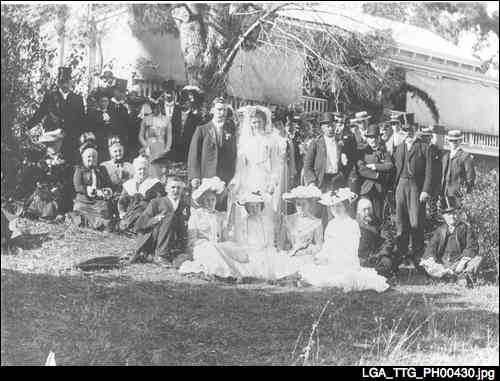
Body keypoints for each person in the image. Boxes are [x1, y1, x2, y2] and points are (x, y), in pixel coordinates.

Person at [297, 188, 390, 292]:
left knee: (343, 277)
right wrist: (321, 257)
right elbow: (327, 247)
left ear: (345, 207)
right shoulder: (331, 224)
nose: (335, 209)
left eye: (339, 206)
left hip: (346, 262)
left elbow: (351, 250)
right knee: (309, 267)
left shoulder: (352, 224)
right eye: (332, 206)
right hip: (331, 260)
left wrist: (331, 258)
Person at [227, 105, 288, 241]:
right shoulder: (245, 141)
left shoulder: (271, 140)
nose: (256, 125)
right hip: (248, 177)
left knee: (264, 207)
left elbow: (276, 164)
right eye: (253, 122)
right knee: (246, 206)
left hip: (264, 177)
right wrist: (236, 180)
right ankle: (245, 239)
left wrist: (273, 181)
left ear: (264, 122)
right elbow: (241, 165)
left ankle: (265, 240)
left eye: (259, 122)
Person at [393, 121, 433, 267]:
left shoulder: (424, 147)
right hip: (401, 186)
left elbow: (429, 172)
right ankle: (402, 256)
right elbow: (394, 168)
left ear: (416, 130)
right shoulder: (399, 147)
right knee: (401, 222)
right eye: (405, 130)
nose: (408, 133)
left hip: (415, 187)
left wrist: (425, 190)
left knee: (416, 222)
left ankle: (417, 256)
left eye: (410, 130)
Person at [27, 67, 85, 164]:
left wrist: (80, 134)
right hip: (53, 138)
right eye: (62, 82)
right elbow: (40, 113)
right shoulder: (51, 97)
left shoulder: (77, 99)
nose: (64, 85)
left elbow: (81, 119)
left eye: (67, 81)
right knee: (51, 165)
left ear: (71, 82)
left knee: (69, 166)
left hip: (70, 139)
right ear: (58, 82)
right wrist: (28, 126)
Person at [188, 97, 237, 210]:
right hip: (205, 178)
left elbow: (233, 157)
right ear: (212, 110)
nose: (222, 113)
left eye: (224, 110)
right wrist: (194, 177)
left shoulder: (230, 132)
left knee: (220, 213)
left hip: (223, 181)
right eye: (219, 109)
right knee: (203, 212)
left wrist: (230, 179)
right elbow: (194, 155)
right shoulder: (202, 130)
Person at [132, 176, 190, 266]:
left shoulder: (185, 205)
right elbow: (139, 225)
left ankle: (172, 253)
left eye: (179, 188)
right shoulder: (156, 202)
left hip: (174, 240)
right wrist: (155, 219)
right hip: (155, 238)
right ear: (166, 189)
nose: (176, 190)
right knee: (170, 217)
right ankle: (161, 256)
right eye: (173, 187)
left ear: (182, 190)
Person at [420, 204, 482, 287]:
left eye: (454, 213)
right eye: (449, 214)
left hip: (459, 262)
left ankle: (464, 277)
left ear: (458, 215)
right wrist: (437, 264)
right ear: (444, 217)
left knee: (478, 259)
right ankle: (445, 276)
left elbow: (471, 247)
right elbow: (431, 248)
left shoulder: (466, 228)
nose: (452, 216)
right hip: (443, 263)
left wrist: (462, 262)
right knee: (427, 262)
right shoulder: (440, 230)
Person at [304, 112, 349, 225]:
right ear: (322, 128)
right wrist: (312, 182)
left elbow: (346, 163)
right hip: (320, 181)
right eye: (327, 126)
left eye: (332, 125)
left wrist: (344, 162)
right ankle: (317, 241)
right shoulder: (316, 143)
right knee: (316, 214)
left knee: (333, 214)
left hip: (335, 181)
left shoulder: (340, 143)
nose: (331, 128)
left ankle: (331, 239)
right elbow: (307, 165)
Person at [22, 129, 73, 220]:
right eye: (51, 144)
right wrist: (41, 185)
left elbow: (66, 180)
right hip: (43, 190)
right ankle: (35, 211)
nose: (54, 147)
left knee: (53, 205)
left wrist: (58, 188)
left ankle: (51, 213)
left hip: (57, 191)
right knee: (36, 200)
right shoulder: (42, 161)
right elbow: (37, 177)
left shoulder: (64, 162)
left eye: (57, 143)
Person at [71, 140, 114, 230]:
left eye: (94, 157)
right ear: (83, 158)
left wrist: (104, 191)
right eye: (89, 157)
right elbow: (77, 186)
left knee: (105, 210)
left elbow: (107, 183)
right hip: (83, 201)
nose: (91, 159)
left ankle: (98, 223)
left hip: (97, 202)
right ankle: (85, 221)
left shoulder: (101, 170)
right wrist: (87, 189)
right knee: (80, 210)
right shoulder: (79, 170)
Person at [356, 124, 394, 223]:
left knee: (378, 217)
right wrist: (377, 175)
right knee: (364, 216)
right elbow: (361, 169)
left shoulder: (384, 152)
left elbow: (390, 166)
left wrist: (375, 166)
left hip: (379, 189)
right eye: (370, 138)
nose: (373, 140)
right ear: (367, 139)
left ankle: (377, 236)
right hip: (365, 189)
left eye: (375, 137)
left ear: (379, 138)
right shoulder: (362, 152)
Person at [117, 155, 165, 233]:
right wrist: (122, 212)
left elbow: (160, 201)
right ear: (135, 170)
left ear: (148, 170)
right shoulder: (129, 184)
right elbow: (121, 201)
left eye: (144, 169)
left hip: (147, 212)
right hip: (131, 212)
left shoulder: (154, 183)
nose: (142, 172)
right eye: (139, 169)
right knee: (124, 224)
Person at [357, 198, 396, 278]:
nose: (367, 212)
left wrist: (380, 254)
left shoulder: (378, 222)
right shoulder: (354, 225)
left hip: (377, 256)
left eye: (369, 209)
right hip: (361, 257)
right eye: (364, 210)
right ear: (359, 211)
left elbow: (388, 240)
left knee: (387, 263)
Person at [167, 87, 204, 164]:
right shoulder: (175, 112)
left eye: (191, 100)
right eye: (188, 99)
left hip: (187, 150)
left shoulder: (196, 117)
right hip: (174, 148)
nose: (190, 101)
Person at [440, 130, 475, 209]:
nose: (452, 142)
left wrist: (465, 193)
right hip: (444, 194)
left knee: (457, 219)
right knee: (446, 219)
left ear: (460, 141)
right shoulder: (445, 156)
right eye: (450, 140)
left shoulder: (465, 156)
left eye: (455, 141)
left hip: (457, 195)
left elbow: (471, 177)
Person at [138, 99, 172, 180]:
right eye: (153, 107)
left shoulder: (167, 119)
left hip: (161, 147)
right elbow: (140, 136)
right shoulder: (146, 119)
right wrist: (146, 147)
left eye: (158, 107)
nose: (155, 109)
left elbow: (169, 136)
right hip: (149, 147)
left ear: (161, 107)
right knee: (150, 169)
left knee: (160, 169)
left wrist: (167, 149)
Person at [418, 125, 443, 223]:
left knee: (433, 203)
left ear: (431, 137)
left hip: (433, 181)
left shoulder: (435, 149)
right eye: (424, 136)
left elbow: (438, 167)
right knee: (421, 203)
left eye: (428, 136)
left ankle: (432, 223)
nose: (426, 138)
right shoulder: (419, 148)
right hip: (422, 180)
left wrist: (438, 182)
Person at [86, 91, 114, 161]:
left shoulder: (112, 113)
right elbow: (91, 128)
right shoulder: (93, 114)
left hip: (110, 141)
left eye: (106, 101)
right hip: (98, 141)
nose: (104, 103)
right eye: (102, 101)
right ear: (98, 102)